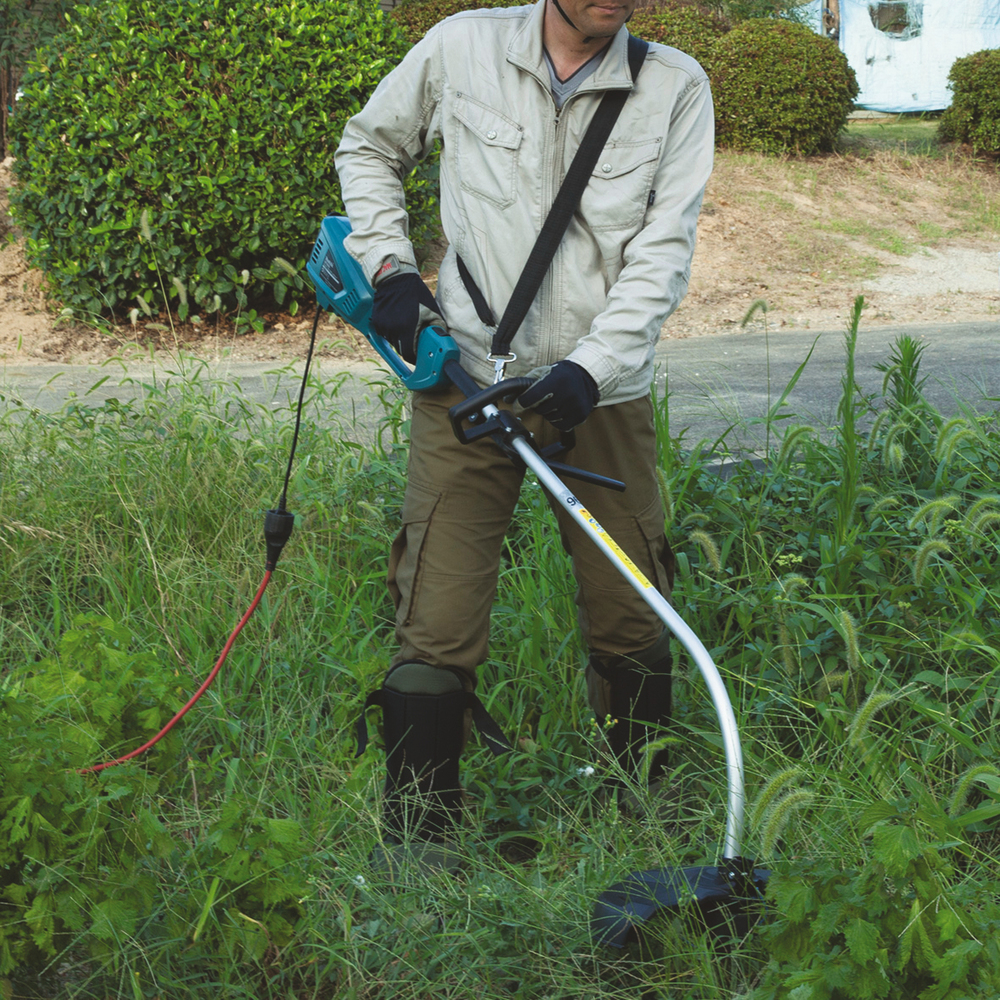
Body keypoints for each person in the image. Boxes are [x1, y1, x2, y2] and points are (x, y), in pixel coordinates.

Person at [336, 0, 714, 858]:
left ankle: (643, 822)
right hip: (466, 385)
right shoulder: (461, 46)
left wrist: (592, 367)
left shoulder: (675, 87)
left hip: (599, 396)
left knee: (632, 612)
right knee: (435, 623)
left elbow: (664, 248)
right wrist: (389, 267)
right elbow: (369, 147)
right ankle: (422, 844)